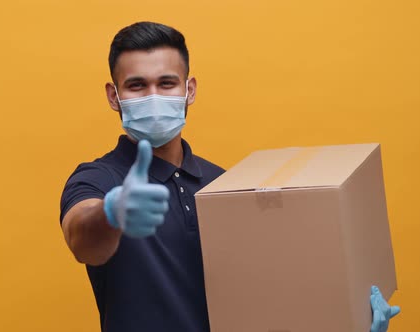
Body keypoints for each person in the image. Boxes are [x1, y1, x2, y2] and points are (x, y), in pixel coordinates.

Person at [60, 21, 400, 332]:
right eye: (136, 86)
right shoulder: (98, 179)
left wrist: (346, 319)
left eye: (167, 83)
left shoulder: (224, 186)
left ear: (189, 90)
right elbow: (82, 240)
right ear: (113, 96)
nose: (153, 96)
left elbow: (268, 293)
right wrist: (111, 213)